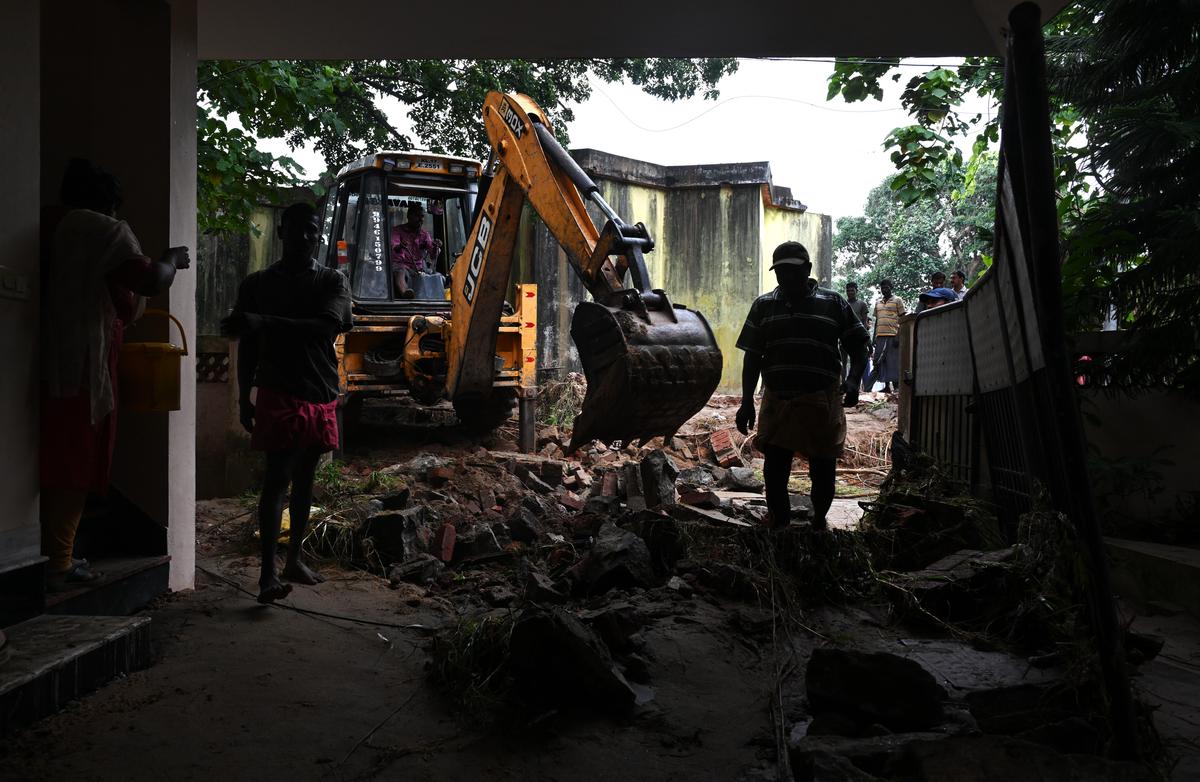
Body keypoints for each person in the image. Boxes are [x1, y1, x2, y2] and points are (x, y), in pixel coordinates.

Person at [40, 158, 191, 587]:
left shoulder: (47, 223)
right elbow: (148, 281)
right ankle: (59, 562)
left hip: (44, 356)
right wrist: (170, 259)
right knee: (75, 457)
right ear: (109, 202)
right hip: (83, 362)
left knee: (56, 453)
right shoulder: (102, 229)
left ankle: (55, 553)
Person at [222, 202, 353, 603]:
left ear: (319, 235)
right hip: (279, 392)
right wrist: (245, 396)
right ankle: (267, 573)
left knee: (306, 480)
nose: (305, 238)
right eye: (297, 230)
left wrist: (263, 322)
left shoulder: (332, 281)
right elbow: (246, 347)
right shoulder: (257, 284)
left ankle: (293, 558)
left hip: (320, 392)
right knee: (277, 480)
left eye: (312, 231)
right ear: (282, 233)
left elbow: (323, 330)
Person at [735, 241, 869, 530]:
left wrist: (854, 380)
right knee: (775, 469)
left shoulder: (833, 303)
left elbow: (859, 345)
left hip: (822, 401)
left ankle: (818, 522)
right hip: (778, 401)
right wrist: (746, 401)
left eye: (793, 271)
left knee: (822, 469)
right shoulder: (763, 305)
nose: (786, 278)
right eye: (780, 272)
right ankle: (780, 524)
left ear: (807, 270)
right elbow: (752, 357)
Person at [390, 203, 439, 299]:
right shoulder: (397, 231)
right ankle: (405, 293)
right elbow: (394, 247)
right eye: (417, 216)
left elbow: (433, 255)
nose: (421, 220)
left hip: (418, 269)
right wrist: (401, 246)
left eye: (422, 216)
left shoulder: (424, 235)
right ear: (409, 216)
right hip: (402, 265)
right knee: (400, 271)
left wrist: (435, 247)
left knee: (437, 276)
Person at [866, 279, 905, 393]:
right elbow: (877, 320)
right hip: (880, 336)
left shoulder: (898, 300)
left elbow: (903, 319)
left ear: (891, 287)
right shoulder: (878, 303)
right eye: (882, 288)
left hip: (893, 335)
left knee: (893, 362)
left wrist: (899, 336)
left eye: (886, 287)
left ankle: (897, 389)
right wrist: (874, 337)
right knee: (878, 362)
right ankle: (879, 388)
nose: (884, 289)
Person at [842, 281, 871, 387]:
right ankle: (843, 384)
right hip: (845, 337)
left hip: (858, 337)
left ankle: (856, 387)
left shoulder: (862, 304)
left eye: (852, 290)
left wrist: (867, 340)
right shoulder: (843, 303)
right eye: (848, 290)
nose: (850, 292)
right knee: (843, 363)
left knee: (857, 363)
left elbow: (864, 322)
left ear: (856, 291)